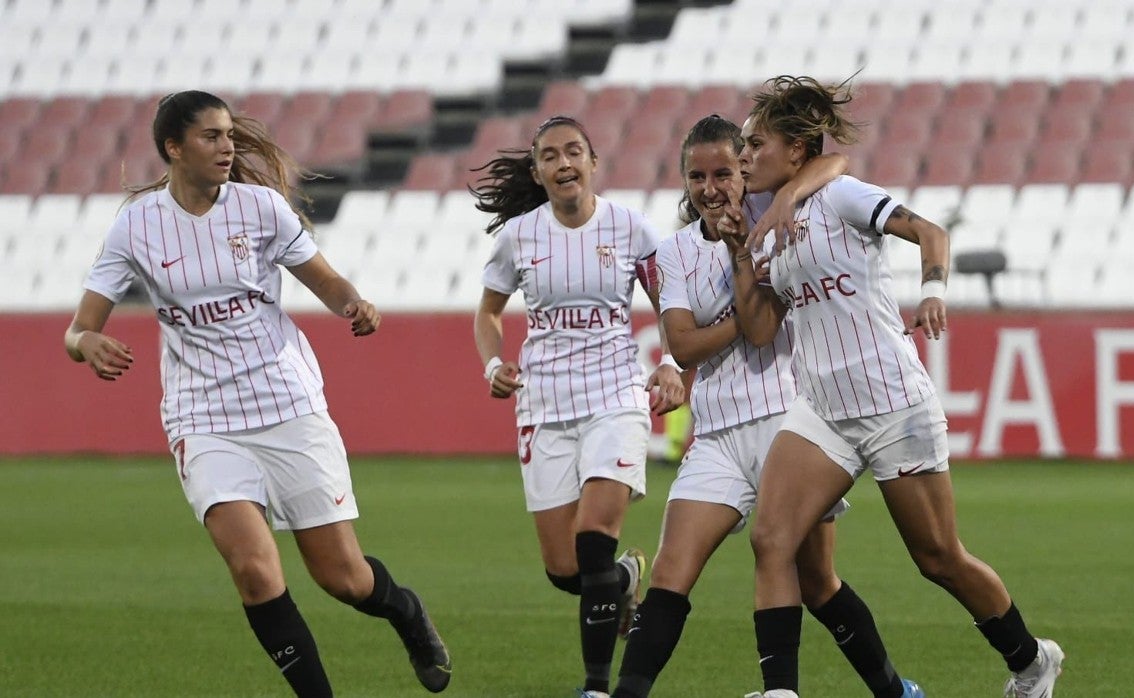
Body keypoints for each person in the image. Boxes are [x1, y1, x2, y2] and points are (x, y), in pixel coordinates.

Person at [64, 90, 451, 697]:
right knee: (253, 569)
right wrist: (86, 343)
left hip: (286, 402)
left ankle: (404, 611)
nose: (227, 147)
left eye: (229, 135)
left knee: (344, 578)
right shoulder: (135, 226)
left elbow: (322, 278)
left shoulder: (261, 207)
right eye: (212, 136)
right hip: (203, 415)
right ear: (173, 148)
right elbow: (79, 327)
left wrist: (352, 304)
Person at [719, 76, 1064, 698]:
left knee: (938, 560)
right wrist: (745, 259)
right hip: (822, 409)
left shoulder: (843, 195)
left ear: (796, 151)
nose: (744, 157)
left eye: (756, 144)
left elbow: (932, 234)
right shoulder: (767, 222)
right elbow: (765, 331)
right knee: (772, 538)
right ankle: (779, 692)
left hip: (892, 404)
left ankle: (1032, 659)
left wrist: (932, 292)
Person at [612, 115, 923, 698]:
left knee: (818, 582)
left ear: (746, 169)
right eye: (697, 176)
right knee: (673, 570)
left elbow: (832, 167)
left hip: (792, 423)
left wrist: (733, 293)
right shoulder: (676, 251)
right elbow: (681, 343)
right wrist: (733, 320)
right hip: (717, 434)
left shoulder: (779, 218)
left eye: (724, 172)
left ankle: (892, 691)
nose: (711, 187)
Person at [470, 115, 686, 698]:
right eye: (549, 156)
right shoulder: (519, 238)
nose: (563, 163)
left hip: (615, 397)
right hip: (543, 405)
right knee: (568, 571)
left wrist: (671, 360)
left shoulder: (630, 229)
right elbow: (488, 315)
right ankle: (627, 578)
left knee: (593, 538)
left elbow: (673, 301)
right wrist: (494, 365)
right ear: (538, 172)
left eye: (573, 152)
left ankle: (593, 688)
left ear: (593, 162)